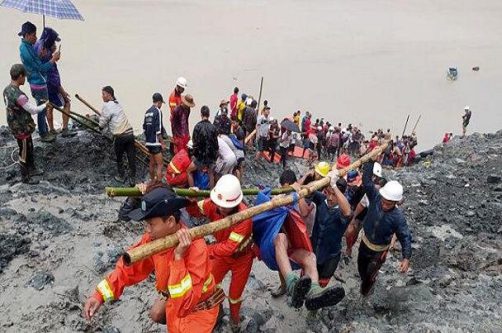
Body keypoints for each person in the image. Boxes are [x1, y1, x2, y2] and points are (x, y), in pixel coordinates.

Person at [83, 186, 222, 333]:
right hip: (174, 300)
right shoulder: (153, 240)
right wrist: (99, 296)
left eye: (151, 224)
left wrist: (179, 258)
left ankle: (217, 315)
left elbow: (184, 305)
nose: (147, 230)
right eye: (146, 224)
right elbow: (128, 268)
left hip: (197, 309)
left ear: (170, 221)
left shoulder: (196, 248)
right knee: (158, 315)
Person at [187, 175, 253, 330]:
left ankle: (234, 321)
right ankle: (218, 311)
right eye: (219, 204)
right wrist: (191, 200)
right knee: (210, 284)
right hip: (221, 256)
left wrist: (205, 250)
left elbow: (230, 247)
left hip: (241, 258)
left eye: (225, 205)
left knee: (235, 294)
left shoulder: (245, 218)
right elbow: (195, 211)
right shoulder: (213, 203)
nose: (221, 208)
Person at [358, 161, 412, 296]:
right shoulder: (375, 197)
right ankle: (366, 282)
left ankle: (364, 293)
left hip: (379, 251)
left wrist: (406, 257)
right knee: (361, 268)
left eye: (389, 204)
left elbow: (405, 236)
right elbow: (366, 180)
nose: (384, 205)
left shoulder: (398, 218)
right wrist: (371, 161)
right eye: (384, 201)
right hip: (365, 243)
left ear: (396, 202)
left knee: (370, 272)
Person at [294, 171, 352, 288]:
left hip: (330, 256)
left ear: (341, 194)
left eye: (334, 194)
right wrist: (321, 180)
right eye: (328, 193)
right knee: (305, 279)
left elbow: (347, 212)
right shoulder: (321, 199)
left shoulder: (344, 210)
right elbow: (307, 193)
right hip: (313, 249)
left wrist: (334, 186)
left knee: (321, 284)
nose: (330, 198)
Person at [3, 64, 48, 184]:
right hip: (21, 127)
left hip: (14, 123)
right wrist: (45, 105)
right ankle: (25, 178)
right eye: (24, 77)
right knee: (23, 151)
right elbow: (33, 110)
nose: (25, 79)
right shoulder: (20, 96)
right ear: (20, 76)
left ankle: (32, 168)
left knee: (29, 145)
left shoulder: (6, 90)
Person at [18, 21, 60, 143]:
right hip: (38, 83)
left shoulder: (27, 47)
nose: (36, 38)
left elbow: (36, 63)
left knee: (42, 107)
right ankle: (43, 133)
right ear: (26, 35)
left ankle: (44, 130)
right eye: (33, 35)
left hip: (37, 80)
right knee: (42, 108)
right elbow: (41, 68)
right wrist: (53, 59)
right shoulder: (25, 50)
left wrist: (40, 56)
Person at [34, 27, 76, 138]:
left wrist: (53, 56)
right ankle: (65, 129)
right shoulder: (46, 53)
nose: (55, 45)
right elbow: (54, 79)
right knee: (66, 102)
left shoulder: (38, 46)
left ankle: (51, 129)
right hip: (51, 85)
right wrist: (62, 91)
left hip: (42, 84)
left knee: (49, 106)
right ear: (49, 41)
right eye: (53, 43)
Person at [99, 86, 136, 185]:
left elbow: (102, 122)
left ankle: (121, 176)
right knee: (131, 155)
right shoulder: (117, 103)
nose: (102, 96)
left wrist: (100, 127)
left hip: (120, 136)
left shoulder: (107, 106)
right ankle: (132, 178)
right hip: (130, 133)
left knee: (119, 156)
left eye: (103, 94)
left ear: (109, 95)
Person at [188, 106, 218, 188]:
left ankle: (192, 194)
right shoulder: (213, 127)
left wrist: (195, 155)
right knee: (211, 174)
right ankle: (211, 195)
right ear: (209, 115)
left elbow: (195, 143)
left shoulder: (197, 126)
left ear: (201, 114)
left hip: (200, 158)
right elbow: (216, 145)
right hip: (211, 157)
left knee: (189, 171)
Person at [143, 93, 166, 181]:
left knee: (152, 164)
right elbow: (158, 129)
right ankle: (159, 185)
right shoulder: (158, 111)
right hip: (156, 143)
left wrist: (147, 139)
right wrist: (162, 143)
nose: (161, 106)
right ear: (159, 102)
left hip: (149, 142)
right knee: (160, 165)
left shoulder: (147, 112)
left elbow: (144, 127)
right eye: (161, 104)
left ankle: (152, 182)